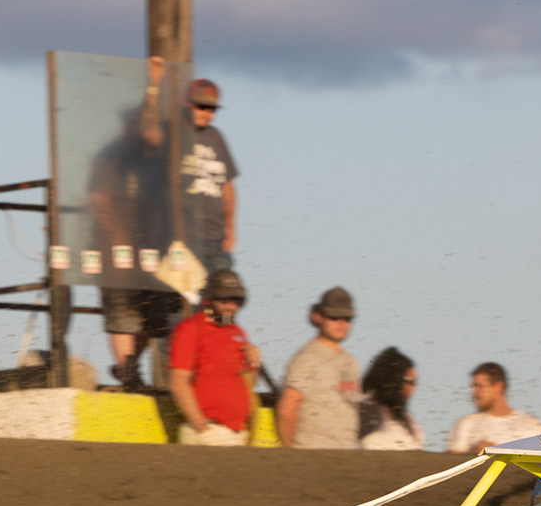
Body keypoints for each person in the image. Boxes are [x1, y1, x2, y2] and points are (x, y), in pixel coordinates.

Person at [93, 54, 177, 390]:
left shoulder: (155, 157)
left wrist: (155, 87)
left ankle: (130, 369)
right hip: (117, 249)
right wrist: (117, 240)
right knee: (122, 313)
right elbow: (98, 200)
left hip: (152, 247)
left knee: (155, 317)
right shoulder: (114, 155)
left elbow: (160, 129)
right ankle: (128, 374)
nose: (146, 128)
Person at [169, 269, 260, 446]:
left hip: (237, 433)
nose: (231, 307)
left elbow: (248, 385)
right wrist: (202, 428)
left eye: (236, 302)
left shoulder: (238, 332)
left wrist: (254, 362)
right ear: (208, 300)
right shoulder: (190, 328)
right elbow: (178, 381)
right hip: (209, 431)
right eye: (224, 301)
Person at [278, 287, 361, 448]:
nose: (341, 323)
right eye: (334, 316)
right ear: (318, 316)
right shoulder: (307, 358)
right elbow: (286, 410)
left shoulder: (351, 361)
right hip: (313, 455)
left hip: (348, 456)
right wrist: (290, 454)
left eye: (347, 318)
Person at [181, 78, 239, 276]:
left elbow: (228, 186)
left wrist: (230, 229)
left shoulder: (216, 136)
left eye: (213, 109)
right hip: (185, 235)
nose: (209, 114)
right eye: (202, 107)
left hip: (217, 238)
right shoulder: (174, 134)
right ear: (187, 104)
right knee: (188, 296)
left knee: (222, 293)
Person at [446, 362, 541, 453]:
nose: (474, 393)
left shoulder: (530, 424)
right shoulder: (466, 423)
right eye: (473, 387)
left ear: (499, 387)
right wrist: (473, 453)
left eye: (480, 386)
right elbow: (450, 465)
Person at [358, 347, 424, 450]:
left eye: (415, 381)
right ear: (394, 379)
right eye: (409, 381)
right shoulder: (367, 411)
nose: (414, 387)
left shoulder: (406, 418)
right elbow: (367, 444)